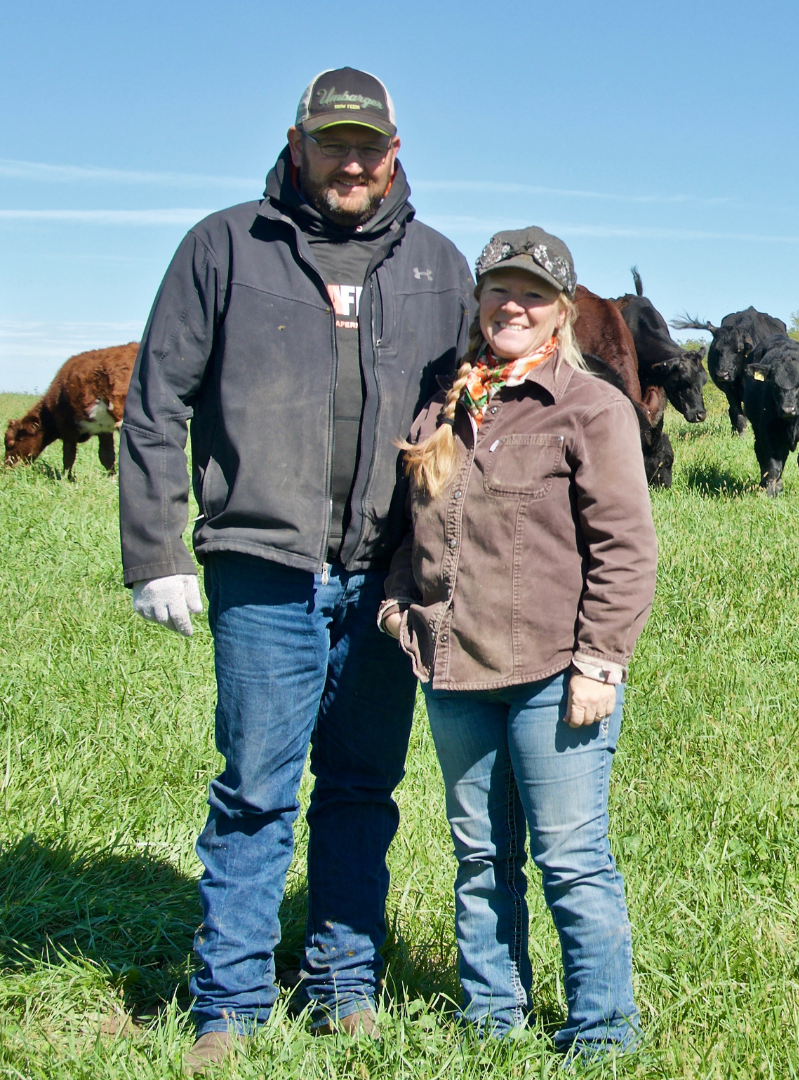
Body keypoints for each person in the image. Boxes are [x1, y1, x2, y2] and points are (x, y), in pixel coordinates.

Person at [117, 68, 473, 1071]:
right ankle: (227, 1001)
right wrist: (154, 550)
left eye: (369, 146)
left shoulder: (438, 267)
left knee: (363, 783)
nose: (352, 162)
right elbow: (155, 407)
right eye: (334, 143)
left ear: (395, 151)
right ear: (298, 141)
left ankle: (342, 984)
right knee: (258, 790)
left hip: (385, 579)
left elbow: (477, 419)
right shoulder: (225, 247)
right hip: (262, 567)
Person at [380, 227, 656, 1056]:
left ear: (561, 313)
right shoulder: (446, 404)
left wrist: (601, 663)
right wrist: (402, 605)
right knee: (478, 859)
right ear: (478, 302)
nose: (513, 305)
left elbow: (626, 548)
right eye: (499, 289)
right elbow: (413, 525)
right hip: (454, 667)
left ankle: (604, 1035)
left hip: (552, 672)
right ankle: (491, 1022)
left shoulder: (590, 407)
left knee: (571, 859)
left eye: (532, 294)